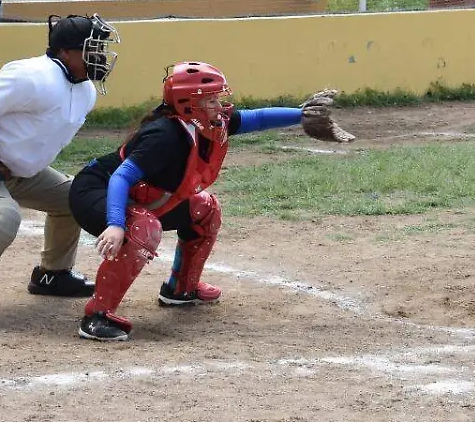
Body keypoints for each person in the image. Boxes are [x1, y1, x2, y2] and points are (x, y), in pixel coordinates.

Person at [70, 62, 354, 341]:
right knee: (143, 228)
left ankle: (181, 290)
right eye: (210, 100)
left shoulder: (210, 124)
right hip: (98, 191)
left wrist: (302, 115)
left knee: (205, 209)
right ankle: (97, 316)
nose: (219, 106)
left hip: (141, 196)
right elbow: (121, 178)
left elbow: (258, 118)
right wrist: (115, 223)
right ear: (188, 105)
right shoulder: (164, 136)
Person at [0, 14, 122, 332]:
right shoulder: (31, 74)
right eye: (92, 48)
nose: (99, 56)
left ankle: (53, 275)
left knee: (76, 196)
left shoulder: (86, 91)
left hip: (11, 168)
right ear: (65, 51)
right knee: (2, 217)